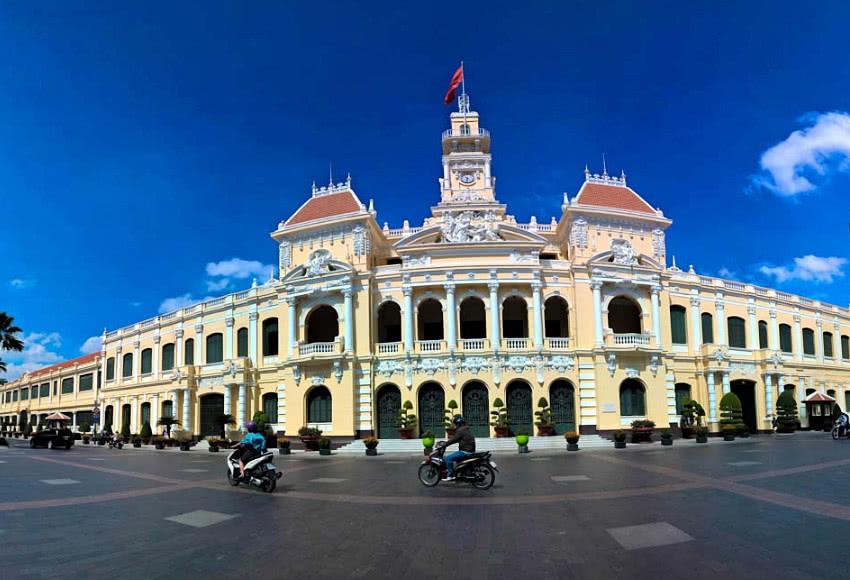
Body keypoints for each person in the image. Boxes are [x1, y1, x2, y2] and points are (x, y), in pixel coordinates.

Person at [442, 415, 475, 481]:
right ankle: (462, 473)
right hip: (470, 450)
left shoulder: (461, 431)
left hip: (465, 451)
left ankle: (451, 475)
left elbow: (454, 439)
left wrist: (444, 444)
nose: (455, 426)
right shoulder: (466, 429)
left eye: (456, 424)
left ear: (458, 424)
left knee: (448, 458)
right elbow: (457, 439)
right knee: (457, 460)